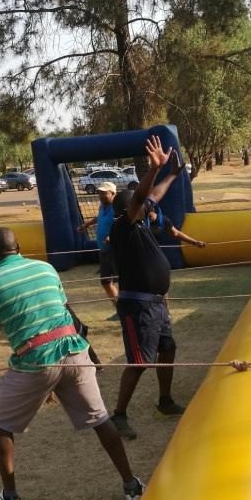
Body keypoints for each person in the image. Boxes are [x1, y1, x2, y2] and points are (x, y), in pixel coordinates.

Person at [0, 227, 144, 500]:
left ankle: (10, 499)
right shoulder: (46, 268)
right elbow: (66, 311)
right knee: (101, 419)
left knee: (0, 425)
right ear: (20, 247)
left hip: (35, 362)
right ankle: (132, 485)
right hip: (75, 353)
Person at [107, 136, 188, 440]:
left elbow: (153, 194)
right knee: (139, 362)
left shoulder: (139, 221)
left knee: (168, 349)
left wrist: (172, 174)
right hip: (137, 307)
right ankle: (118, 415)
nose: (147, 205)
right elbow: (143, 194)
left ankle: (164, 401)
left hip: (156, 303)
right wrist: (153, 168)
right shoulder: (122, 226)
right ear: (130, 208)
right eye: (139, 204)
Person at [77, 181, 119, 318]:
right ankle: (120, 310)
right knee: (106, 282)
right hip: (103, 250)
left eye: (104, 193)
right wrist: (87, 225)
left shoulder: (118, 207)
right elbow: (99, 218)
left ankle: (127, 310)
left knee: (124, 282)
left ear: (113, 193)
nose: (101, 195)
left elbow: (123, 224)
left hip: (116, 251)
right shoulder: (103, 206)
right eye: (99, 193)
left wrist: (112, 237)